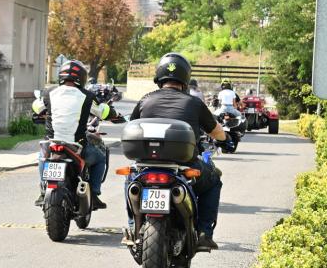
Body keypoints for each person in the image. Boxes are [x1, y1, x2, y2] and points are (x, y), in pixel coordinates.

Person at [129, 53, 226, 250]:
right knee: (214, 179)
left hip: (146, 165)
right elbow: (217, 132)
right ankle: (204, 233)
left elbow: (132, 126)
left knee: (131, 182)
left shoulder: (145, 100)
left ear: (159, 76)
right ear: (185, 78)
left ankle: (133, 227)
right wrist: (225, 138)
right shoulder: (194, 103)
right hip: (184, 165)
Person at [35, 59, 118, 209]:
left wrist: (41, 113)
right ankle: (94, 194)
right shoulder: (87, 96)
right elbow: (103, 111)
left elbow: (37, 107)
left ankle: (43, 191)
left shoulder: (48, 92)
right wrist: (115, 114)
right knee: (100, 157)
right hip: (76, 145)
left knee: (42, 156)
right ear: (82, 78)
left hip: (52, 143)